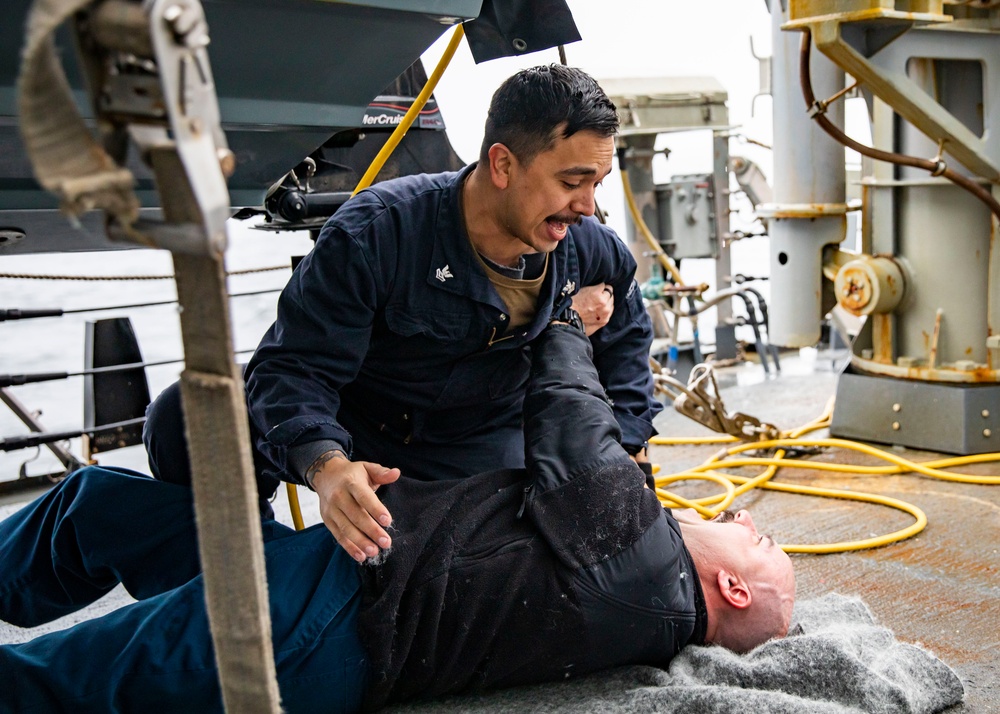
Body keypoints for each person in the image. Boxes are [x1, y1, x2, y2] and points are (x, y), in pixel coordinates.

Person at [1, 315, 794, 714]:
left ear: (728, 588)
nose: (751, 523)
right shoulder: (642, 583)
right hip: (329, 581)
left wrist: (568, 318)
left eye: (762, 546)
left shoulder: (647, 561)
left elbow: (570, 414)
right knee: (101, 506)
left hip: (321, 628)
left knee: (57, 681)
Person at [142, 64, 663, 561]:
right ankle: (247, 570)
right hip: (362, 425)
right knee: (186, 417)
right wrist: (326, 465)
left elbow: (627, 335)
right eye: (572, 183)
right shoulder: (376, 234)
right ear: (503, 164)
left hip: (483, 443)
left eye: (597, 183)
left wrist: (629, 445)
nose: (589, 206)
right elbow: (294, 368)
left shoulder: (589, 248)